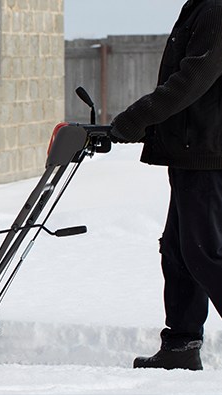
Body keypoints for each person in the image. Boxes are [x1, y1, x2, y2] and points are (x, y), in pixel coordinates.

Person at [110, 0, 222, 371]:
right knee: (177, 250)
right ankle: (181, 345)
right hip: (192, 152)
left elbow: (191, 80)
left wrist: (136, 118)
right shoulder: (200, 7)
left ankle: (182, 344)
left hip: (209, 155)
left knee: (204, 253)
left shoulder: (216, 10)